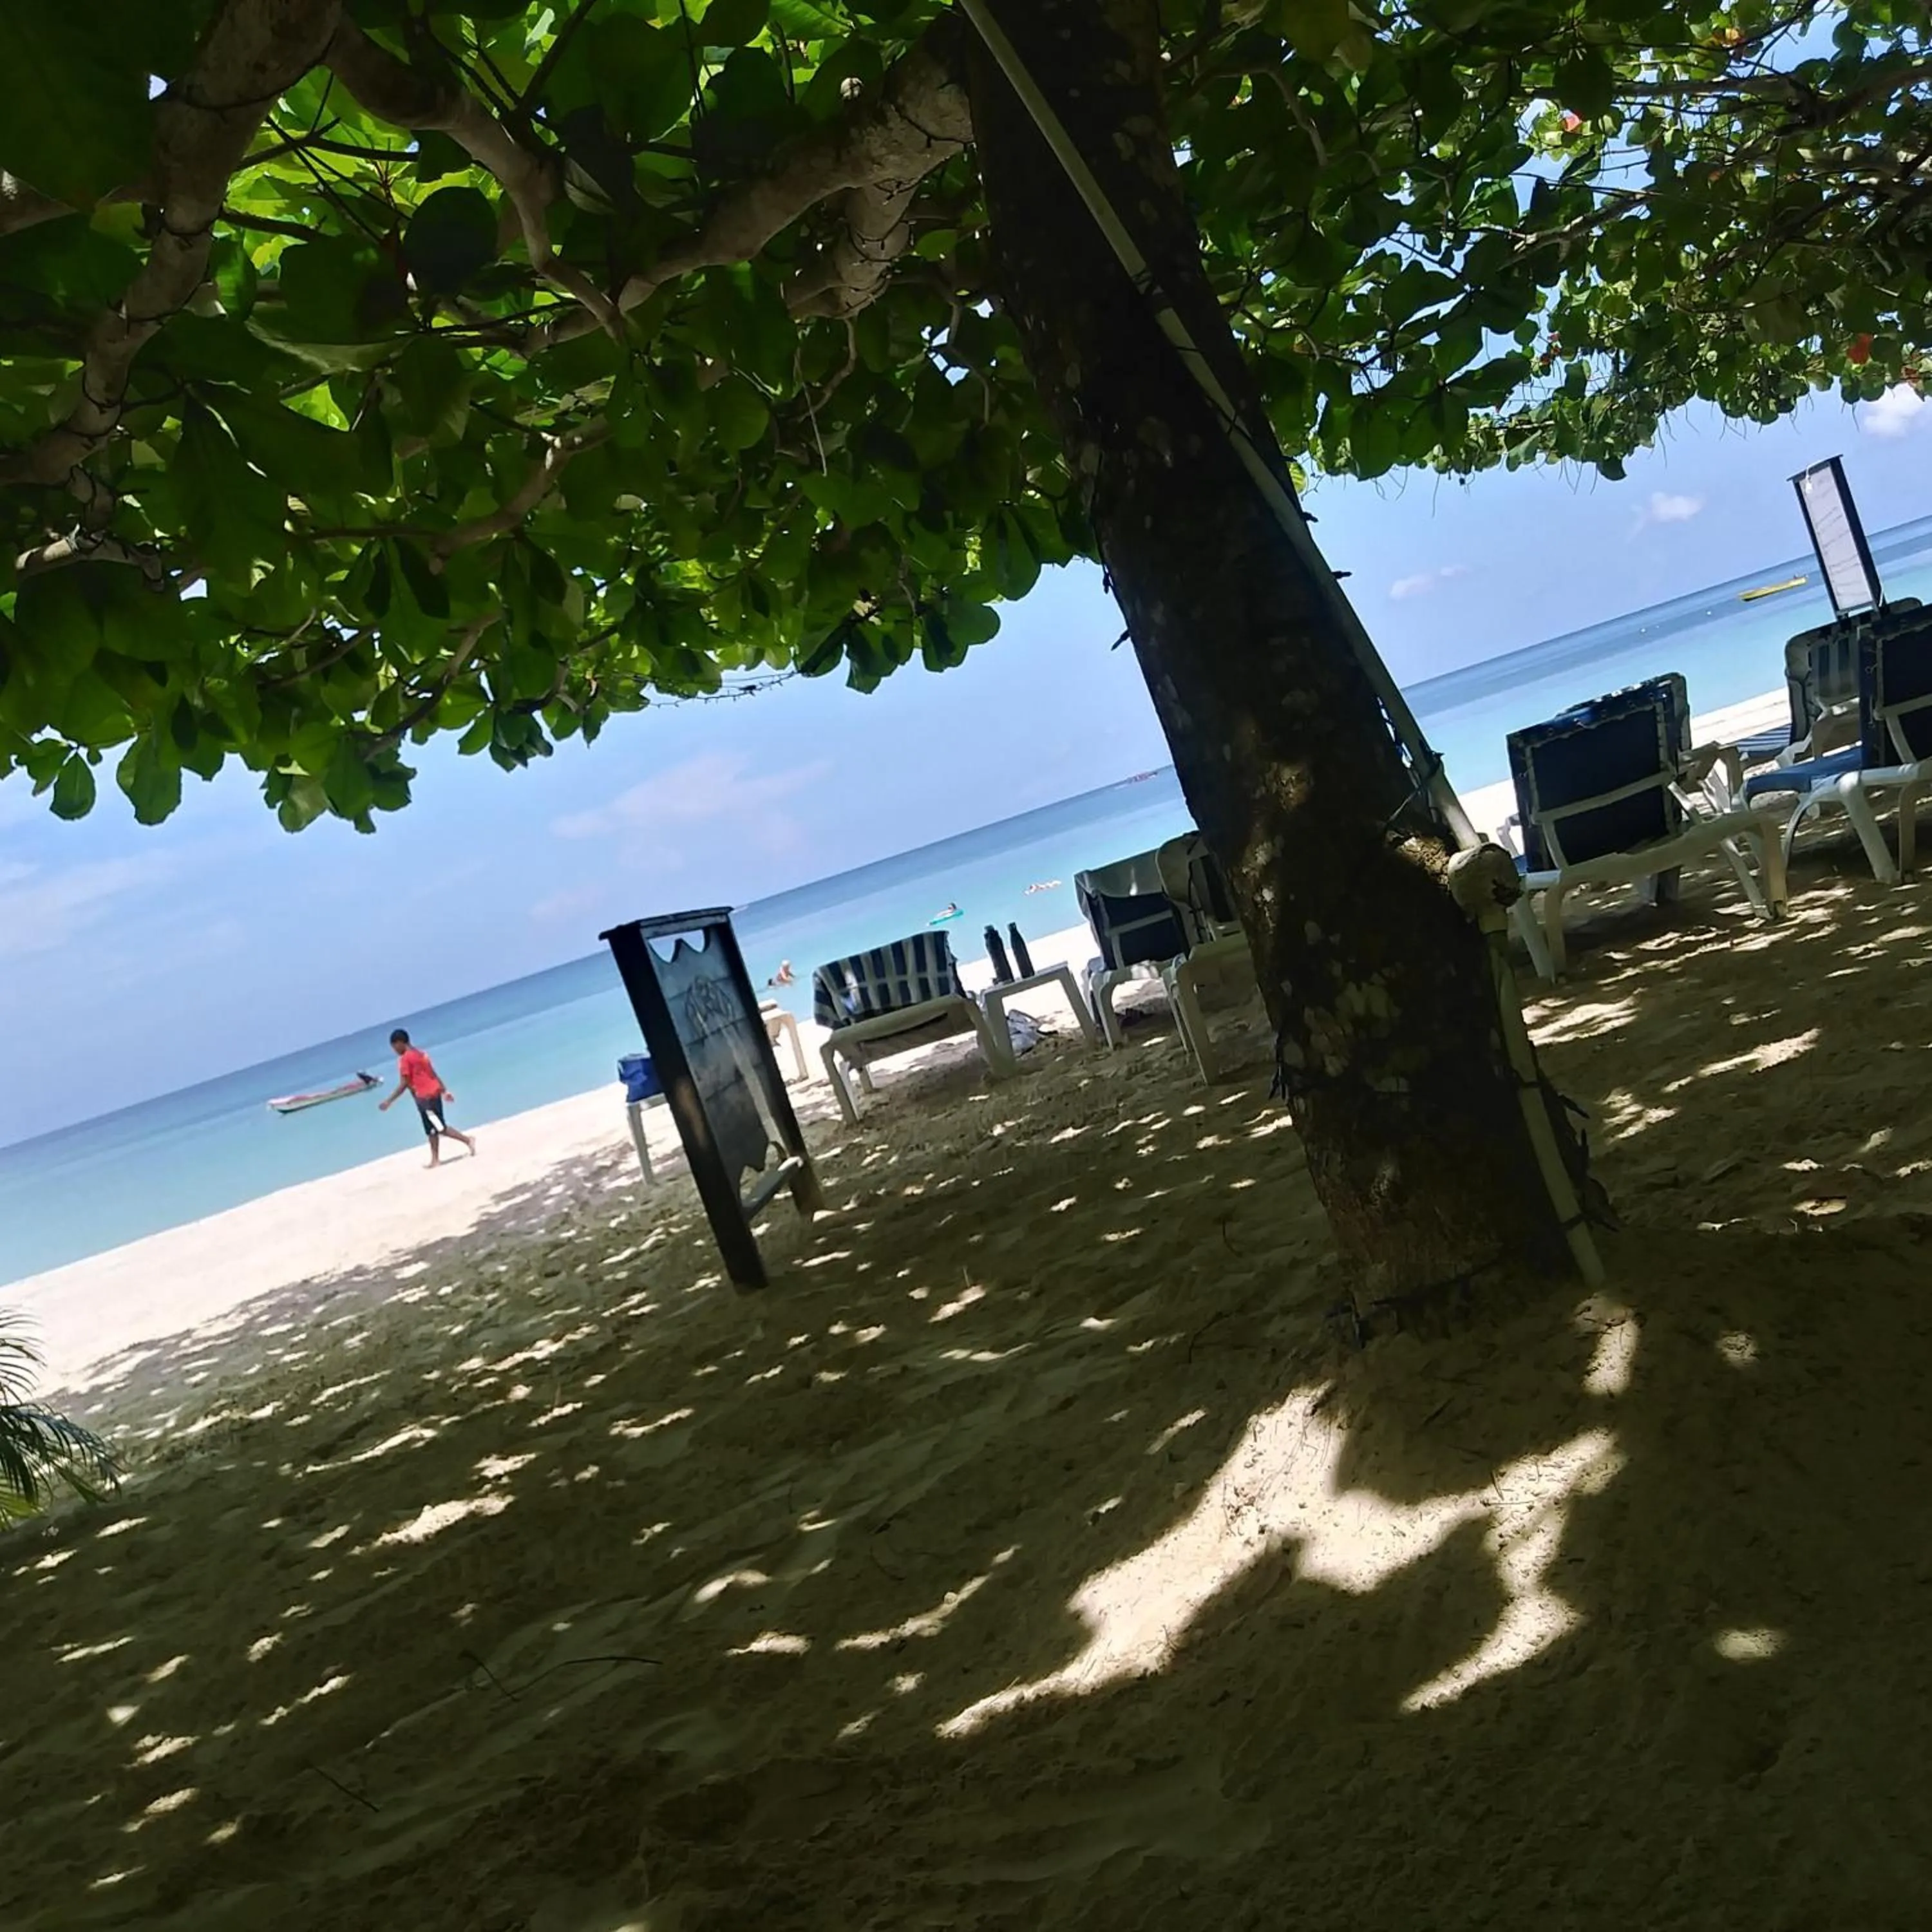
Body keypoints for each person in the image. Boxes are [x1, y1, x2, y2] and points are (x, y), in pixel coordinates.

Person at [379, 1028, 477, 1168]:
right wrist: (444, 1090)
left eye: (394, 1047)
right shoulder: (421, 1054)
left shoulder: (405, 1059)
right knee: (431, 1129)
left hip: (424, 1098)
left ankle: (468, 1140)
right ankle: (435, 1160)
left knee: (439, 1127)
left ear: (400, 1043)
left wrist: (389, 1101)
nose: (394, 1051)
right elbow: (433, 1074)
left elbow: (404, 1084)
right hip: (434, 1094)